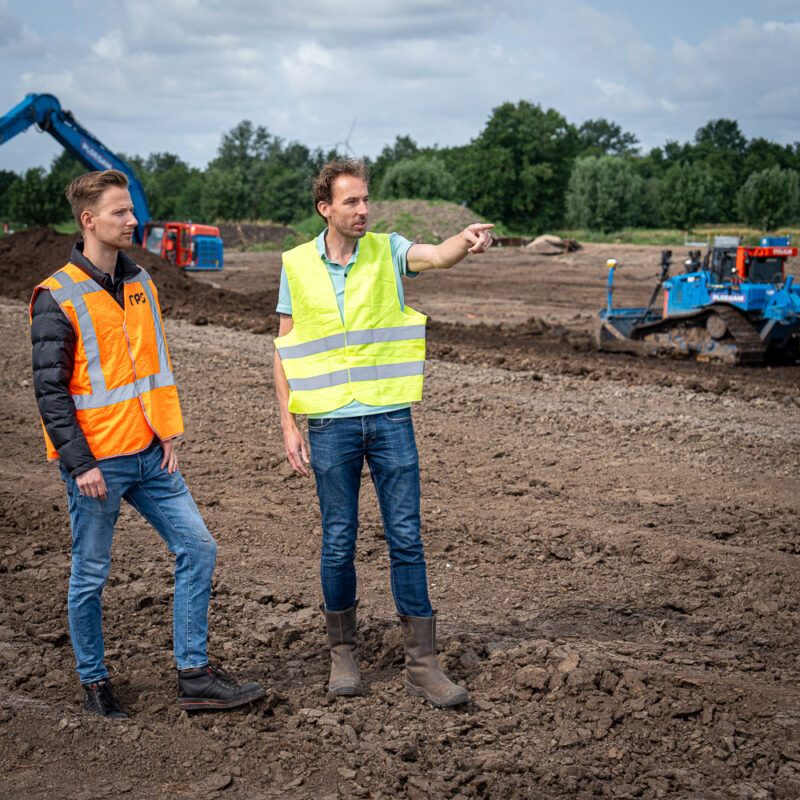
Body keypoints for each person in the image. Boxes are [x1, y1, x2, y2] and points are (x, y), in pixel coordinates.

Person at [30, 169, 264, 718]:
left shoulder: (141, 284)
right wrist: (79, 462)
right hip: (97, 465)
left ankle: (194, 675)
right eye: (120, 212)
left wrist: (166, 432)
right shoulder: (56, 295)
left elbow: (152, 368)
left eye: (131, 210)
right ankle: (94, 681)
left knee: (198, 547)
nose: (133, 220)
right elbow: (50, 392)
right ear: (89, 220)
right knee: (90, 574)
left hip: (150, 455)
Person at [273, 159, 493, 708]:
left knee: (407, 538)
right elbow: (284, 349)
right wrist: (288, 423)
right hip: (328, 422)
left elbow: (436, 255)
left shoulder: (388, 249)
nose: (363, 209)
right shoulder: (297, 265)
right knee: (339, 541)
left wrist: (462, 242)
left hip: (391, 417)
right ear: (325, 208)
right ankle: (342, 654)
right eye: (351, 202)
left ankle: (423, 662)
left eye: (366, 200)